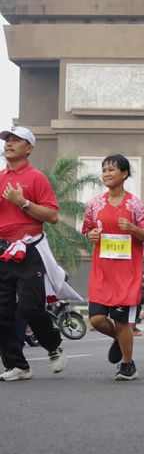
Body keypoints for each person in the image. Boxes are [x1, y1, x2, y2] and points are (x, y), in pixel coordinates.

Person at [0, 127, 67, 381]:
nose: (9, 144)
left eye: (15, 140)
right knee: (2, 312)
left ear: (28, 148)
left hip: (28, 250)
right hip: (2, 251)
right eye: (7, 140)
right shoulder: (0, 177)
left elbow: (52, 216)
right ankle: (17, 365)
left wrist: (23, 202)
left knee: (29, 308)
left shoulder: (36, 177)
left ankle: (54, 346)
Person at [82, 154, 144, 380]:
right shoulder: (94, 204)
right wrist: (91, 235)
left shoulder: (134, 205)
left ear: (124, 174)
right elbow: (87, 229)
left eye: (111, 170)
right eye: (104, 170)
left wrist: (133, 228)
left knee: (122, 322)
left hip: (126, 275)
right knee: (96, 320)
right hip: (102, 273)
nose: (106, 174)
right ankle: (119, 339)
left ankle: (127, 365)